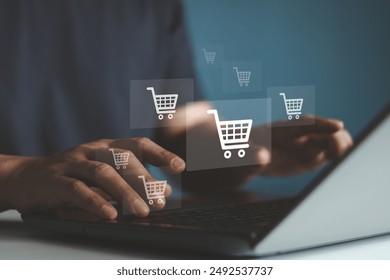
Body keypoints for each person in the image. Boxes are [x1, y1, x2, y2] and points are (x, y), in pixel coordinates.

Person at [0, 0, 353, 220]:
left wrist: (239, 146)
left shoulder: (155, 5)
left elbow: (178, 130)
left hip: (119, 232)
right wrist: (17, 175)